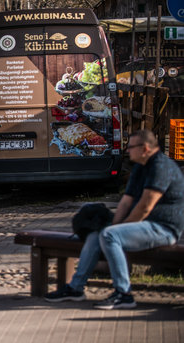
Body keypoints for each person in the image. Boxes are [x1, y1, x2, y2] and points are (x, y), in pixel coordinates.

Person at [44, 130, 184, 309]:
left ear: (145, 148)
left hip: (163, 228)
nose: (127, 151)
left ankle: (123, 294)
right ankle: (75, 288)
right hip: (143, 227)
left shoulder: (161, 166)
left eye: (131, 147)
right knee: (98, 235)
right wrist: (113, 225)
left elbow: (145, 206)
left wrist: (117, 230)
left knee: (110, 236)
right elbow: (126, 202)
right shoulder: (140, 166)